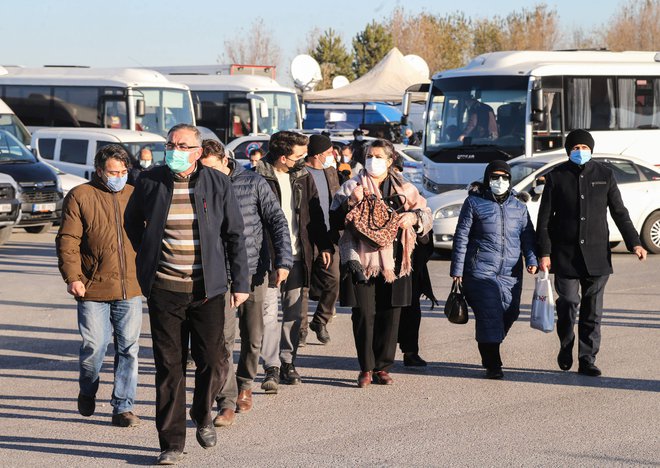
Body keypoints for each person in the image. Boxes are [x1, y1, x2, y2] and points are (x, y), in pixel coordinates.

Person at [126, 124, 250, 465]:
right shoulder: (150, 181)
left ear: (198, 151)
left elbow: (235, 235)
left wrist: (241, 282)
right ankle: (171, 443)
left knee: (213, 360)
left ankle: (202, 412)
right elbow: (132, 223)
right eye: (170, 144)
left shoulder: (217, 182)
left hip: (207, 290)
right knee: (170, 367)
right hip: (165, 289)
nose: (174, 149)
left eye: (182, 145)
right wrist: (149, 254)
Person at [536, 129, 647, 377]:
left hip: (597, 256)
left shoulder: (605, 175)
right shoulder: (556, 177)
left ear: (591, 150)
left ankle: (587, 359)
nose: (580, 152)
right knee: (568, 303)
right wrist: (544, 252)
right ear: (568, 151)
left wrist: (634, 243)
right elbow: (543, 221)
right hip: (565, 256)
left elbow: (620, 211)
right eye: (575, 148)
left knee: (592, 311)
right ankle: (566, 345)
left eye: (584, 148)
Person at [198, 139, 292, 427]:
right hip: (218, 275)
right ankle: (225, 402)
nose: (206, 174)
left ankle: (245, 384)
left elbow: (277, 220)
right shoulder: (199, 185)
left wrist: (283, 261)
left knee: (253, 335)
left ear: (225, 161)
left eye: (210, 168)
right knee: (222, 340)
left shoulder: (253, 182)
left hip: (254, 271)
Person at [330, 138, 432, 388]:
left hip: (396, 261)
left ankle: (383, 367)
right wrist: (350, 202)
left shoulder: (404, 188)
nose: (372, 161)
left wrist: (413, 217)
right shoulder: (352, 186)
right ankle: (366, 367)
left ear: (389, 161)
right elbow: (335, 220)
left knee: (391, 313)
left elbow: (426, 214)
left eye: (378, 156)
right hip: (362, 259)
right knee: (364, 314)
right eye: (369, 156)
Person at [56, 144, 142, 427]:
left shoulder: (135, 194)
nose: (118, 176)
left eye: (123, 171)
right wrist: (73, 278)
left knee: (128, 349)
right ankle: (87, 388)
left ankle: (123, 407)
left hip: (130, 287)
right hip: (92, 287)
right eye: (112, 172)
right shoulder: (81, 195)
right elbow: (68, 240)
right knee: (94, 347)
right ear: (99, 171)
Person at [255, 131, 333, 392]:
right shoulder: (257, 177)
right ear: (283, 156)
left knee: (293, 313)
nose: (303, 159)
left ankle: (288, 361)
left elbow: (315, 214)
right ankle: (271, 366)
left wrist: (322, 244)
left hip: (299, 255)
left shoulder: (302, 177)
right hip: (267, 257)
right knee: (267, 315)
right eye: (299, 155)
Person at [450, 160, 538, 379]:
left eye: (504, 177)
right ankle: (493, 363)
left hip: (510, 273)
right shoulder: (474, 203)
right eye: (495, 177)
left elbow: (528, 236)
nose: (500, 181)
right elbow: (461, 237)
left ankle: (489, 347)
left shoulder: (519, 207)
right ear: (487, 179)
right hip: (479, 271)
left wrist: (532, 259)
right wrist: (457, 270)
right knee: (490, 314)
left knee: (510, 312)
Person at [300, 134, 341, 345]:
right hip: (306, 237)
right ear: (317, 154)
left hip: (329, 236)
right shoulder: (299, 173)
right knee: (303, 286)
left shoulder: (331, 172)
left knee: (333, 280)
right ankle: (301, 329)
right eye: (328, 153)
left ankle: (320, 320)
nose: (332, 156)